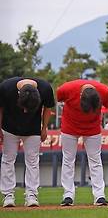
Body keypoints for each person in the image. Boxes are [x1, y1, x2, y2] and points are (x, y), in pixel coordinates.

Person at [56, 79, 108, 206]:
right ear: (80, 95)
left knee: (95, 160)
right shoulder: (66, 89)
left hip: (93, 127)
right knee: (68, 160)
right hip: (70, 126)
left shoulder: (105, 92)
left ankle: (99, 195)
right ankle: (68, 195)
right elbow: (58, 98)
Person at [0, 77, 54, 208]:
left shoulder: (45, 88)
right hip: (9, 128)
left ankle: (32, 194)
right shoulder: (5, 88)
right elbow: (0, 108)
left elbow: (47, 108)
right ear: (19, 95)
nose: (25, 111)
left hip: (33, 129)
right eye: (24, 107)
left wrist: (44, 128)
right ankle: (8, 195)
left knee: (33, 161)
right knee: (8, 160)